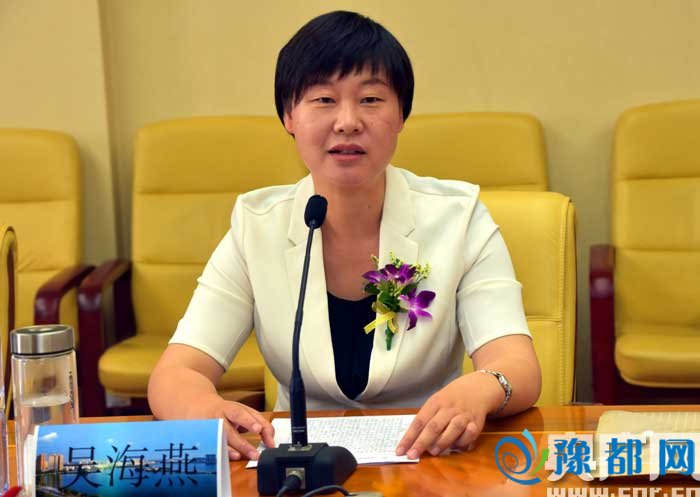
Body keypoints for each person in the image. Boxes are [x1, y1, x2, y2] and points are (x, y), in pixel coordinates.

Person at [148, 10, 541, 462]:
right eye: (324, 99)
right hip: (301, 467)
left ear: (401, 115)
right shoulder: (257, 226)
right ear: (288, 116)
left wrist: (483, 388)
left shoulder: (460, 218)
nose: (348, 121)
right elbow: (175, 374)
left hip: (433, 460)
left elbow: (517, 365)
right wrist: (202, 409)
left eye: (371, 99)